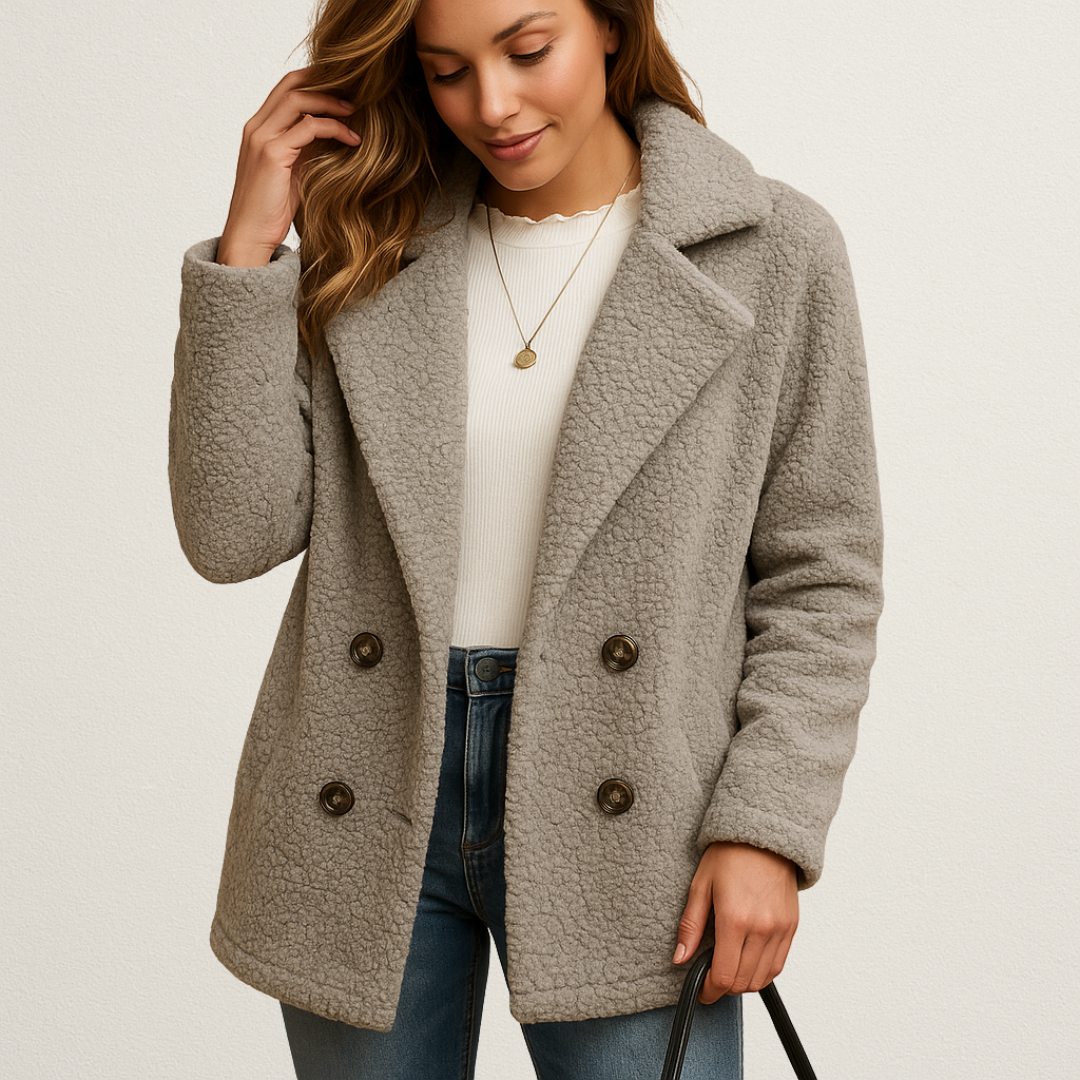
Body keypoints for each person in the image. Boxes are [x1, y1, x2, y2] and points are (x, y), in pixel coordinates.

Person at [169, 0, 883, 1076]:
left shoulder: (771, 249)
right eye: (446, 70)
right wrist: (249, 251)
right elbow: (233, 534)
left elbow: (823, 576)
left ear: (610, 25)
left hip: (638, 800)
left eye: (528, 49)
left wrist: (766, 825)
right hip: (365, 782)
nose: (492, 105)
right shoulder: (372, 241)